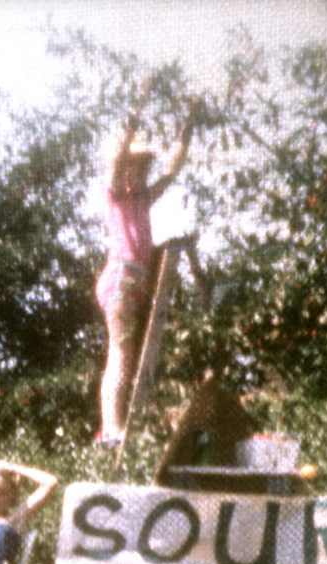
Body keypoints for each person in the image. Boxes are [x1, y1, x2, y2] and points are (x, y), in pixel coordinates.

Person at [96, 89, 198, 445]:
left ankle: (122, 423)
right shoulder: (116, 196)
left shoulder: (141, 198)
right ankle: (110, 427)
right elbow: (118, 155)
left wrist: (189, 123)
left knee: (133, 356)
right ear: (125, 169)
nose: (141, 172)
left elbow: (171, 171)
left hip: (136, 282)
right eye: (135, 167)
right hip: (121, 277)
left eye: (144, 167)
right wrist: (138, 104)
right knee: (120, 354)